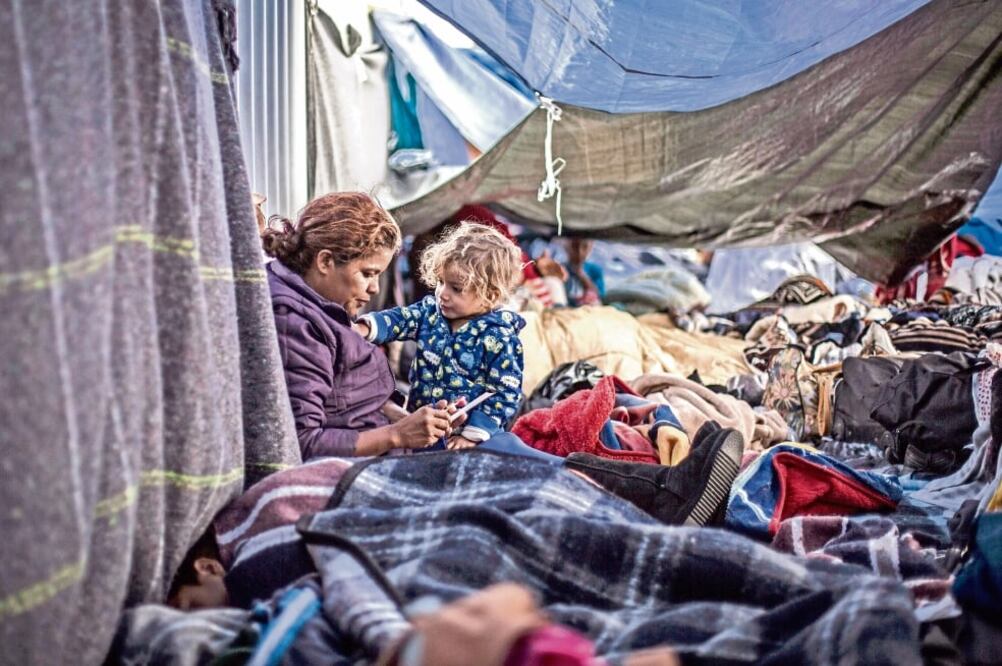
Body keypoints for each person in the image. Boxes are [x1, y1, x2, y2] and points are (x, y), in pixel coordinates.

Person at [261, 191, 555, 462]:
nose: (375, 288)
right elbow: (304, 440)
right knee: (520, 463)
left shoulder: (498, 336)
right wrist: (398, 433)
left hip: (439, 427)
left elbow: (504, 390)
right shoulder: (296, 322)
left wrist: (417, 421)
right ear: (325, 261)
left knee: (518, 447)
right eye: (367, 273)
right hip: (392, 449)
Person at [355, 223, 525, 449]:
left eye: (456, 288)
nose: (442, 294)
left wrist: (474, 434)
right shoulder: (430, 313)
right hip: (420, 426)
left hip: (465, 438)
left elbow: (506, 391)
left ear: (489, 296)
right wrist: (365, 328)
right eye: (441, 282)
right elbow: (401, 318)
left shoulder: (499, 336)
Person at [563, 238, 605, 306]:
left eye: (585, 247)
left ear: (590, 247)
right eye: (574, 246)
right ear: (566, 247)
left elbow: (599, 295)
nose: (580, 252)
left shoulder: (595, 270)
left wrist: (581, 275)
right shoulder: (560, 268)